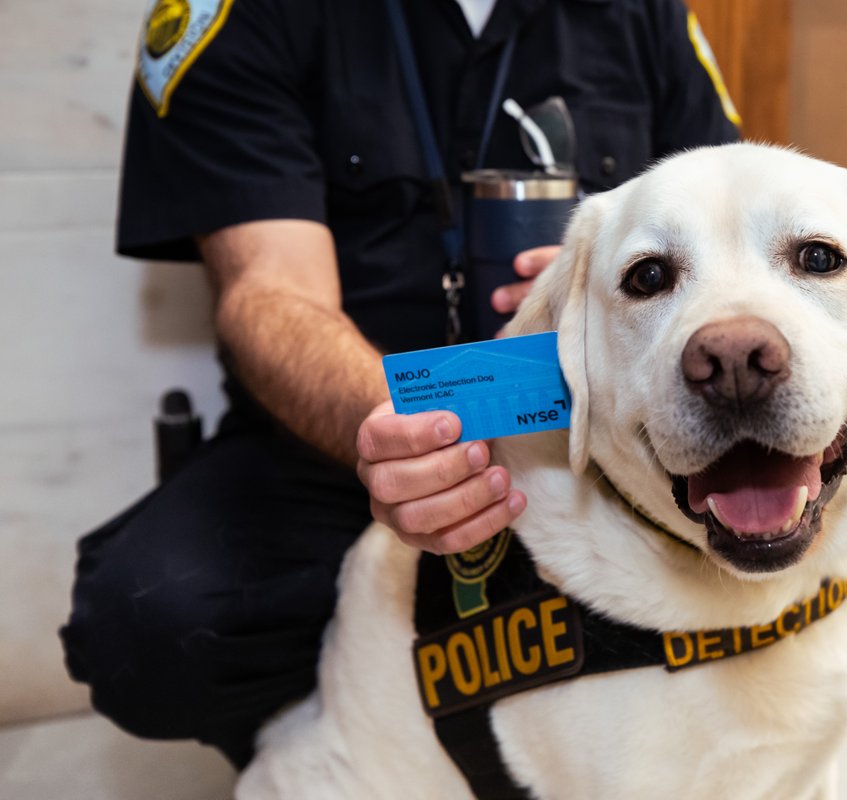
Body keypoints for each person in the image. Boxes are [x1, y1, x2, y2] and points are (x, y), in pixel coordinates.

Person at [61, 0, 740, 769]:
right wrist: (397, 427)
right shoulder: (245, 15)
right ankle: (340, 750)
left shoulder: (641, 13)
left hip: (585, 444)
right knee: (152, 626)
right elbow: (269, 292)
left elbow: (734, 219)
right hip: (336, 440)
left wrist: (620, 289)